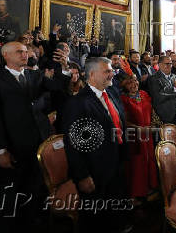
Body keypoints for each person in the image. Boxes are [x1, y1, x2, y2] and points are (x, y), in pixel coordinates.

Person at [0, 41, 70, 231]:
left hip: (40, 141)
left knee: (37, 186)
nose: (25, 54)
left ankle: (36, 221)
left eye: (25, 52)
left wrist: (64, 68)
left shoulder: (34, 75)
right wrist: (0, 150)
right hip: (14, 146)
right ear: (5, 55)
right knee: (13, 191)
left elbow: (56, 87)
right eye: (19, 52)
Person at [62, 57, 127, 233]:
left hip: (116, 163)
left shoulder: (112, 92)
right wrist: (82, 175)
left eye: (111, 70)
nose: (112, 73)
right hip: (94, 170)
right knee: (94, 219)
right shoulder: (78, 103)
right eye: (107, 71)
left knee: (113, 212)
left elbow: (119, 123)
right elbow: (73, 143)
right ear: (91, 74)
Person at [119, 74, 158, 203]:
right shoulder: (123, 99)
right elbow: (123, 120)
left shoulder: (144, 94)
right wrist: (137, 128)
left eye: (135, 80)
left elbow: (151, 111)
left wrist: (152, 125)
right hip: (134, 136)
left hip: (148, 134)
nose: (134, 83)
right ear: (124, 84)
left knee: (150, 158)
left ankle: (149, 186)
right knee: (137, 163)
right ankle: (137, 192)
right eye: (130, 82)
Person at [147, 56, 176, 125]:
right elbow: (159, 96)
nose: (169, 66)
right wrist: (174, 88)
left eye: (170, 63)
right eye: (167, 64)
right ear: (160, 65)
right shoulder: (154, 78)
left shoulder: (174, 76)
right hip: (163, 114)